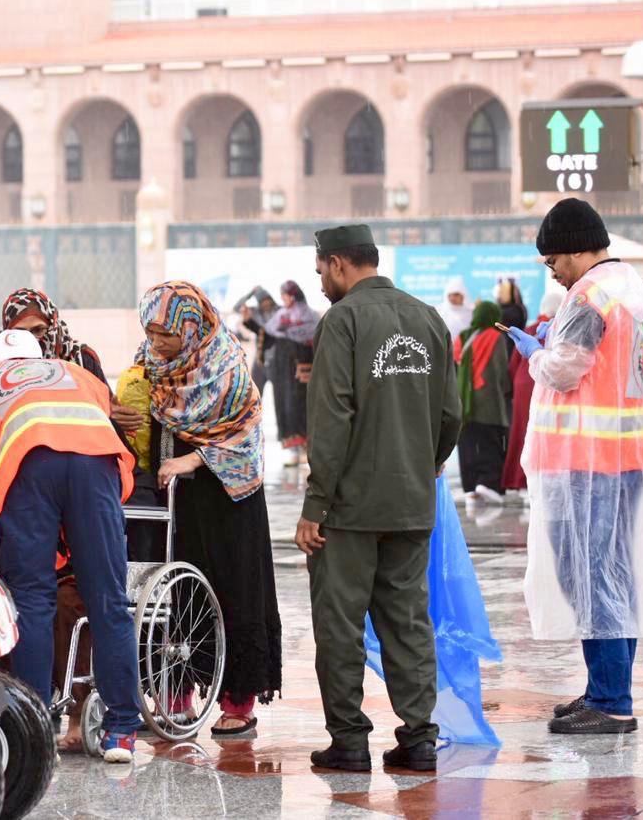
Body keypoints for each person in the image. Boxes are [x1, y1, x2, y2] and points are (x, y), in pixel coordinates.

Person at [295, 224, 460, 773]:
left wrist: (315, 506)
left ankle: (348, 742)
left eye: (321, 272)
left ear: (339, 263)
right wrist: (425, 464)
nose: (320, 284)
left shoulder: (342, 321)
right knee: (409, 619)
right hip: (413, 503)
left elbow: (333, 417)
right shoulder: (428, 318)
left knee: (340, 625)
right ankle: (419, 739)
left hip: (349, 510)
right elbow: (450, 415)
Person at [506, 198, 643, 735]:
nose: (551, 269)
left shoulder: (589, 295)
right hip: (631, 451)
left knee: (591, 572)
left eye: (552, 259)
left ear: (575, 248)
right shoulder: (637, 292)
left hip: (588, 456)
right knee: (615, 569)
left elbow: (562, 371)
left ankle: (613, 699)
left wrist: (537, 350)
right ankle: (605, 687)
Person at [0, 329, 141, 763]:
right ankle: (121, 732)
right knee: (108, 600)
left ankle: (36, 732)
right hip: (94, 465)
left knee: (33, 601)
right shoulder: (76, 372)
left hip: (31, 465)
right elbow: (105, 421)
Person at [139, 281, 282, 738]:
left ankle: (237, 700)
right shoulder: (151, 365)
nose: (156, 342)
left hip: (227, 500)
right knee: (175, 590)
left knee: (233, 588)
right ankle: (177, 691)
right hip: (175, 496)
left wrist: (193, 459)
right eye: (151, 331)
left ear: (192, 326)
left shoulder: (227, 369)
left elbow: (245, 439)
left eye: (166, 333)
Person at [1, 287, 144, 437]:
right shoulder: (0, 369)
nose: (31, 340)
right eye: (21, 333)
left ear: (53, 326)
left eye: (38, 330)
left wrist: (106, 415)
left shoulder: (80, 360)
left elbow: (107, 411)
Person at [502, 292, 562, 493]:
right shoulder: (560, 329)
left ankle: (519, 482)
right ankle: (539, 481)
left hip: (523, 385)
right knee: (545, 433)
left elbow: (513, 366)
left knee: (521, 432)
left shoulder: (529, 329)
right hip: (546, 385)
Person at [454, 301, 512, 504]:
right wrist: (507, 391)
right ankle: (488, 483)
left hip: (463, 400)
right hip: (489, 400)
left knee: (467, 444)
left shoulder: (462, 337)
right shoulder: (496, 337)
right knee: (490, 442)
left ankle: (470, 487)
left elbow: (454, 368)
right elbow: (500, 371)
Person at [263, 281, 319, 466]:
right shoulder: (281, 316)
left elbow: (315, 337)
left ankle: (307, 451)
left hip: (303, 370)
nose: (283, 300)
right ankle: (294, 452)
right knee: (285, 407)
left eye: (285, 296)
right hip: (283, 372)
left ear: (293, 296)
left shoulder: (310, 315)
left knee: (302, 408)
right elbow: (268, 332)